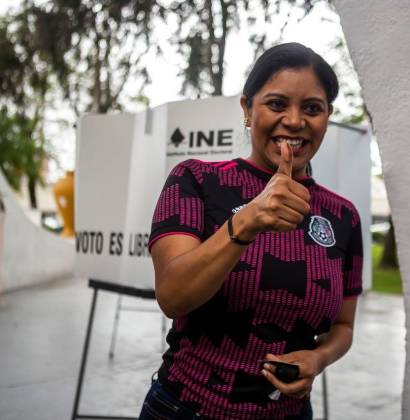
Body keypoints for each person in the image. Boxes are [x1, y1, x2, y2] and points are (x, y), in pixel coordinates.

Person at [139, 42, 363, 420]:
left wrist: (318, 358)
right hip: (185, 408)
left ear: (327, 116)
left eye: (312, 108)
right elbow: (173, 296)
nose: (294, 121)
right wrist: (247, 220)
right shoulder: (196, 180)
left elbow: (343, 325)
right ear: (247, 109)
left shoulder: (344, 216)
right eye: (276, 104)